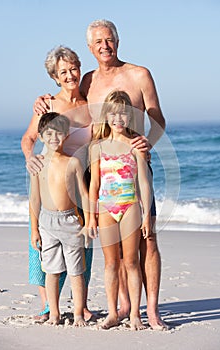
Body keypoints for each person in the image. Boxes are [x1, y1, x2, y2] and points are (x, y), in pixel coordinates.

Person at [33, 19, 167, 330]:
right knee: (115, 251)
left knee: (148, 240)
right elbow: (68, 98)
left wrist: (150, 142)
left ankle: (152, 310)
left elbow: (157, 116)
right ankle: (121, 306)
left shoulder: (139, 74)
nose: (104, 45)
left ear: (117, 42)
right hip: (102, 169)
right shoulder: (89, 81)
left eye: (109, 39)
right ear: (91, 49)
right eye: (98, 42)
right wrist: (43, 101)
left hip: (134, 166)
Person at [21, 46, 93, 322]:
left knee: (80, 245)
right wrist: (31, 159)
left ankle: (81, 305)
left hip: (80, 177)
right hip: (48, 177)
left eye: (74, 68)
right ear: (54, 77)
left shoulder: (89, 104)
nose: (70, 74)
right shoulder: (47, 105)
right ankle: (47, 305)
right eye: (63, 71)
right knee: (43, 242)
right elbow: (28, 138)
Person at [88, 90, 153, 330]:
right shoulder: (98, 147)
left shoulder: (136, 146)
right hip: (106, 208)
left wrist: (147, 215)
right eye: (113, 114)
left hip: (130, 206)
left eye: (123, 115)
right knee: (110, 264)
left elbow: (144, 183)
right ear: (106, 116)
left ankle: (135, 314)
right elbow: (94, 183)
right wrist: (92, 216)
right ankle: (113, 313)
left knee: (132, 262)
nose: (118, 119)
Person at [29, 112, 89, 326]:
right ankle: (54, 313)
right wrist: (34, 229)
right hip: (46, 222)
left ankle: (79, 314)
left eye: (59, 133)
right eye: (49, 133)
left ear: (66, 136)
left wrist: (89, 222)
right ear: (41, 137)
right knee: (52, 271)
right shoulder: (38, 164)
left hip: (70, 221)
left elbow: (83, 195)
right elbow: (34, 198)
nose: (54, 138)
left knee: (76, 272)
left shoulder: (72, 163)